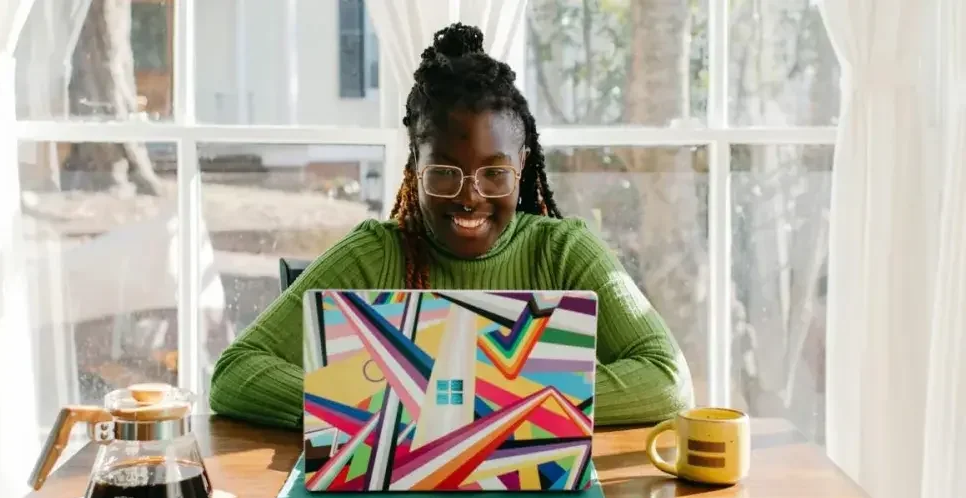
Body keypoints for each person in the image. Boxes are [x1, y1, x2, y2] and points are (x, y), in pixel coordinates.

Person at [209, 23, 694, 429]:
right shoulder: (375, 254)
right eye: (443, 172)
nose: (469, 195)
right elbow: (235, 373)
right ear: (414, 167)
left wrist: (477, 409)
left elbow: (667, 379)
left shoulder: (562, 251)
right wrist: (369, 408)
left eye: (494, 173)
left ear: (521, 166)